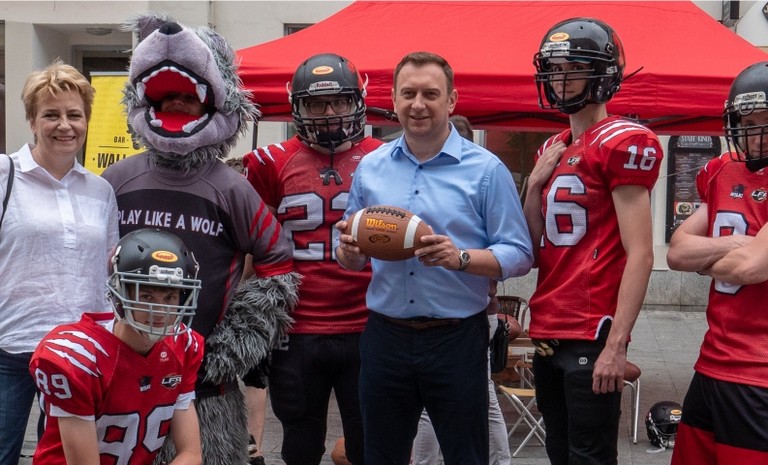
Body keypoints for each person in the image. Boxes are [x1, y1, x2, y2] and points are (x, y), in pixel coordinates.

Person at [102, 14, 299, 465]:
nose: (177, 104)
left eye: (188, 98)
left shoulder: (231, 188)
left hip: (205, 381)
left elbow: (278, 264)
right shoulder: (114, 180)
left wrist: (231, 345)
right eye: (167, 97)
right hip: (122, 366)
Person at [336, 51, 534, 465]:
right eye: (408, 93)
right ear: (393, 99)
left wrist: (459, 257)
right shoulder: (371, 167)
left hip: (456, 338)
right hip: (385, 336)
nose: (418, 104)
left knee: (466, 454)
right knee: (380, 456)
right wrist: (348, 252)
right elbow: (350, 251)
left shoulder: (486, 170)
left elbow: (519, 253)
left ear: (451, 100)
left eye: (430, 93)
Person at [523, 18, 662, 465]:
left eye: (574, 68)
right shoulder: (552, 147)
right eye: (555, 69)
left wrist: (617, 344)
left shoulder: (623, 141)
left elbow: (642, 253)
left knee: (590, 457)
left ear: (603, 74)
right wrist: (533, 185)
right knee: (558, 452)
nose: (561, 79)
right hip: (549, 326)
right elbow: (530, 247)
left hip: (591, 330)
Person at [242, 52, 382, 465]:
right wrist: (247, 319)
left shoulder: (384, 158)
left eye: (339, 101)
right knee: (300, 442)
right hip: (297, 327)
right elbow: (253, 246)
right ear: (297, 107)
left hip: (368, 322)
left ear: (357, 101)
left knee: (369, 441)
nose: (330, 113)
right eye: (317, 104)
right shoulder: (268, 162)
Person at [0, 59, 119, 465]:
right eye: (51, 115)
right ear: (32, 121)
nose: (64, 125)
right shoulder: (5, 174)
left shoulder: (101, 190)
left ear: (87, 120)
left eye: (74, 115)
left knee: (63, 460)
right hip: (10, 347)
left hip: (78, 353)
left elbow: (108, 269)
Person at [29, 228, 204, 465]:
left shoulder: (183, 345)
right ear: (120, 295)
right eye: (147, 296)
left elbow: (191, 454)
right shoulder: (80, 356)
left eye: (170, 298)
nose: (160, 311)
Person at [666, 61, 768, 465]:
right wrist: (736, 245)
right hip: (711, 363)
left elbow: (750, 269)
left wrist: (706, 258)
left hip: (759, 372)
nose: (756, 134)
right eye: (748, 121)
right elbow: (676, 252)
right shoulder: (722, 170)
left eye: (765, 120)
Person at [411, 116, 511, 465]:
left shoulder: (481, 177)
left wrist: (461, 258)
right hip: (469, 313)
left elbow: (511, 254)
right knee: (481, 399)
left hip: (471, 317)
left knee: (474, 401)